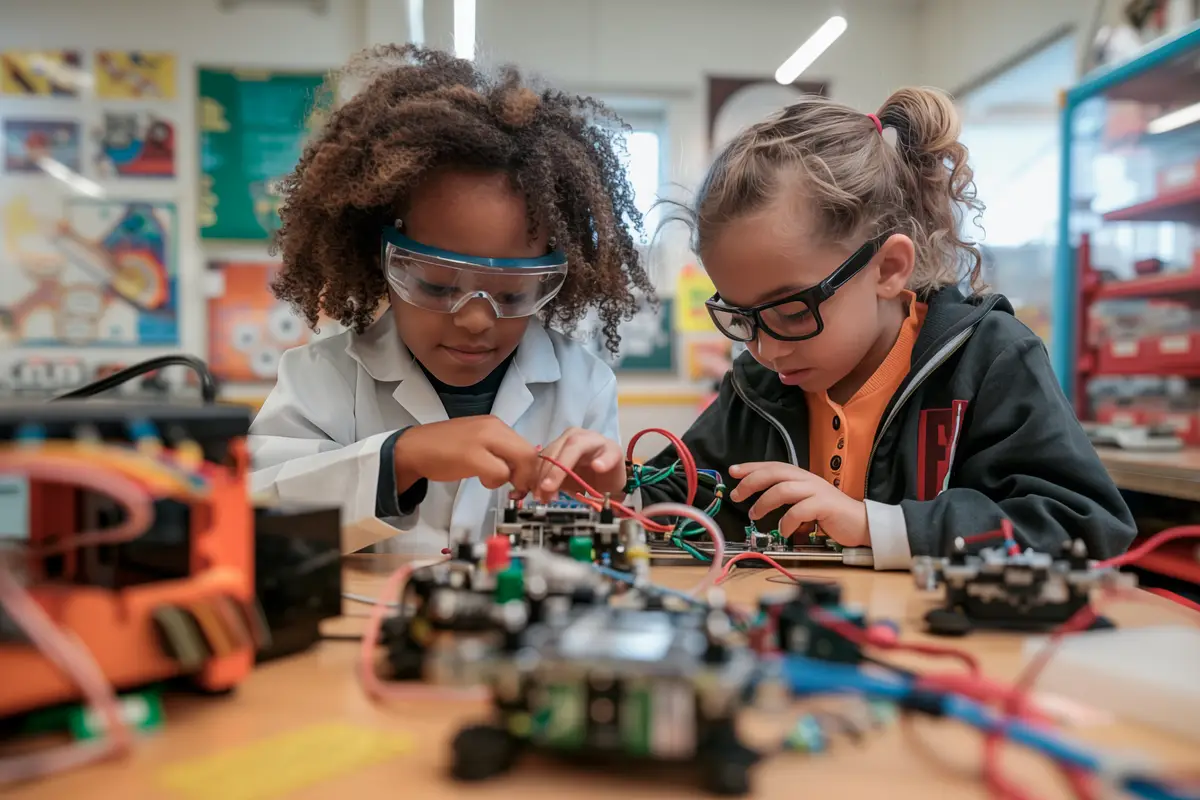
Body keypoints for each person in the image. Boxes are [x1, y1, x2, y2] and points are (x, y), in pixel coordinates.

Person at [536, 88, 1136, 567]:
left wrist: (876, 525)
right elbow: (688, 504)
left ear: (889, 269)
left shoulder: (988, 360)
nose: (766, 348)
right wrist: (620, 490)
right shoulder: (759, 387)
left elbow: (1085, 524)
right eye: (740, 317)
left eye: (792, 310)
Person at [249, 45, 652, 553]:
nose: (478, 319)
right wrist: (399, 458)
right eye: (438, 285)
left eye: (512, 292)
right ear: (380, 258)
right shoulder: (319, 379)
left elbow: (609, 557)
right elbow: (255, 519)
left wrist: (604, 499)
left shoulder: (583, 387)